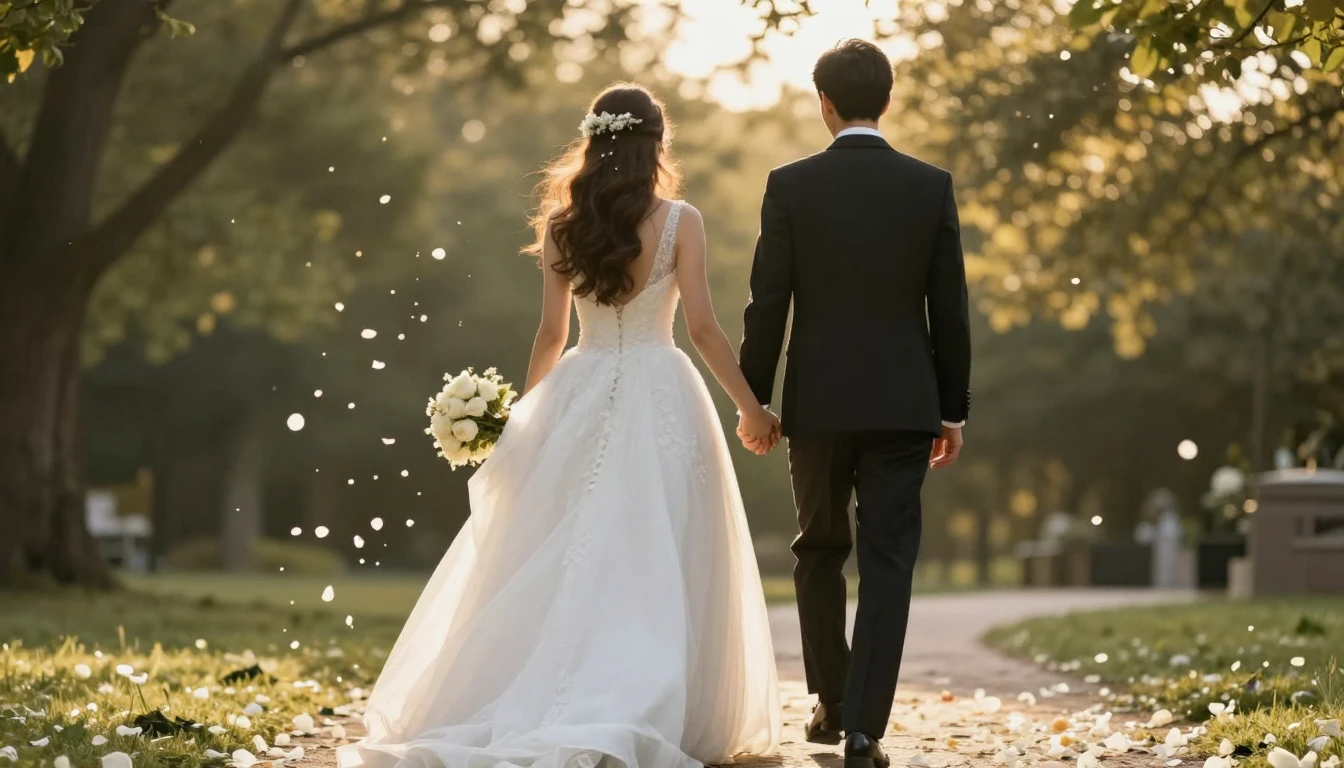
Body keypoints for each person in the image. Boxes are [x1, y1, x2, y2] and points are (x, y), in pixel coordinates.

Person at [338, 83, 781, 768]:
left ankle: (564, 689)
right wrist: (750, 407)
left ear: (594, 140)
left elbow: (550, 334)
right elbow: (701, 327)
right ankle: (653, 696)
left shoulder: (562, 224)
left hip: (583, 381)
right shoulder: (679, 221)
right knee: (658, 543)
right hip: (662, 390)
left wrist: (526, 422)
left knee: (574, 544)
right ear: (656, 144)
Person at [737, 39, 972, 768]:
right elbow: (950, 309)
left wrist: (755, 400)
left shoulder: (790, 185)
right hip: (905, 403)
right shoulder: (928, 186)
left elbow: (766, 303)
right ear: (889, 102)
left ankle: (832, 703)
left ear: (825, 105)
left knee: (817, 550)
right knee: (889, 558)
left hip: (818, 403)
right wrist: (952, 408)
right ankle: (865, 726)